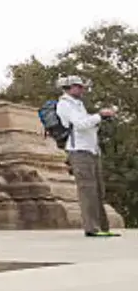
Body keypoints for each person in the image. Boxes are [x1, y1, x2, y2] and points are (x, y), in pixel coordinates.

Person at [55, 76, 119, 238]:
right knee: (87, 190)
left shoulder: (79, 104)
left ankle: (103, 227)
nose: (82, 89)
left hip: (91, 150)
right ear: (69, 88)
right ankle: (92, 228)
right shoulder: (64, 104)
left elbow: (87, 125)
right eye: (79, 87)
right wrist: (99, 115)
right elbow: (80, 124)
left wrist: (100, 119)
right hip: (79, 151)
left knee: (98, 190)